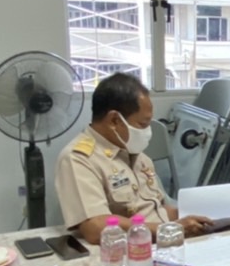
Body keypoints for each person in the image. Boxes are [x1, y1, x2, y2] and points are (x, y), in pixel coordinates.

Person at [56, 72, 214, 244]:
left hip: (163, 243)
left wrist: (196, 217)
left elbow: (155, 210)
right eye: (142, 124)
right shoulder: (79, 159)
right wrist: (171, 229)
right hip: (129, 251)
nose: (148, 132)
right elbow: (95, 227)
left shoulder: (137, 156)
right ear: (114, 120)